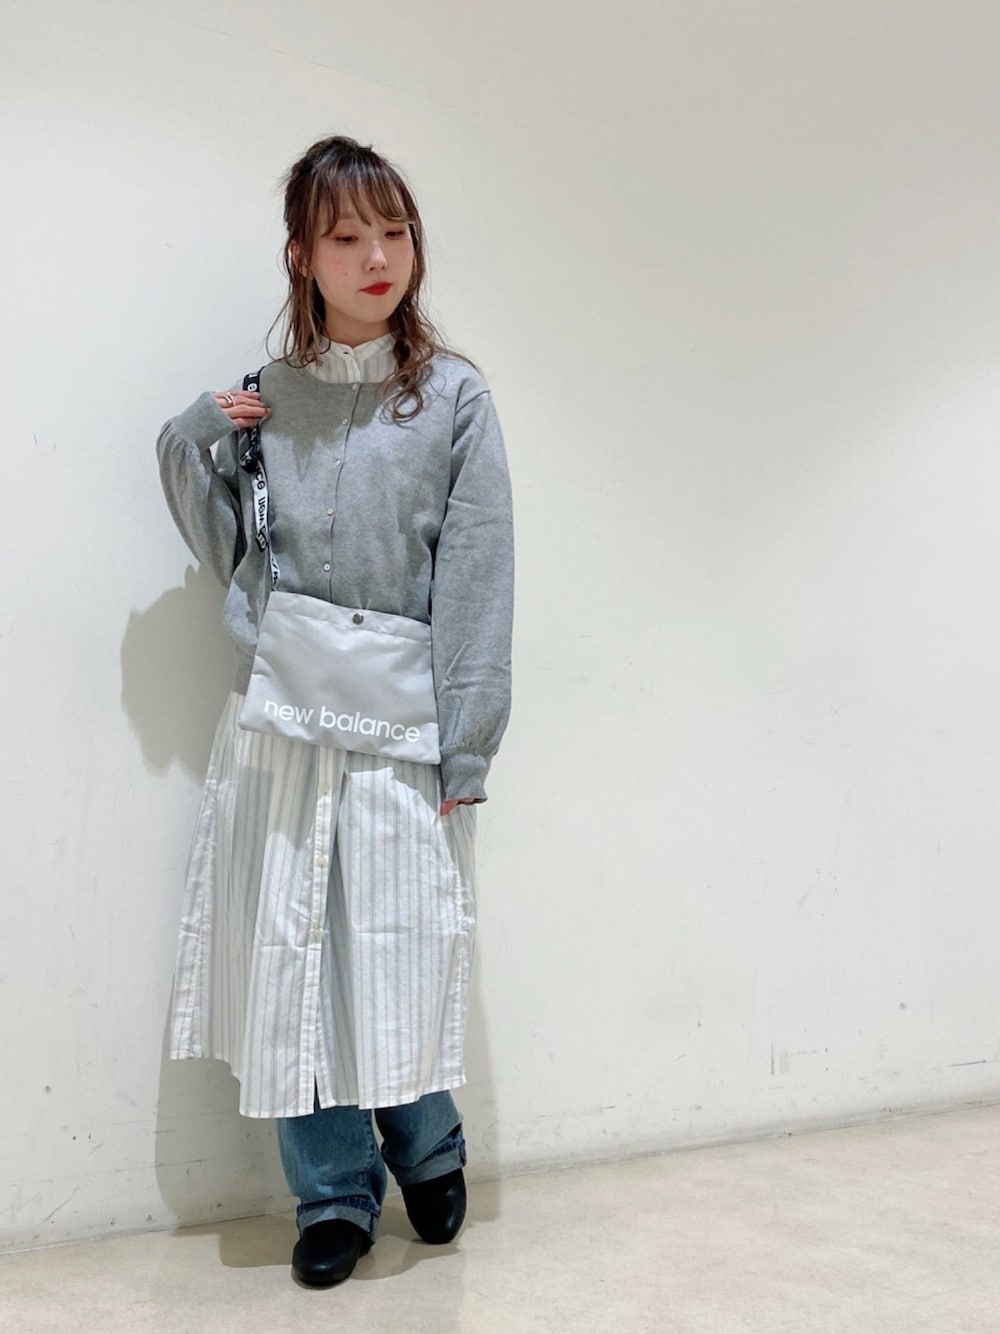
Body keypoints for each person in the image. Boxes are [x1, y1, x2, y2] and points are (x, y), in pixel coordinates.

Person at [155, 134, 514, 1288]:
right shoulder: (268, 398)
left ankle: (428, 1144)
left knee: (396, 950)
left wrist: (468, 743)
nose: (377, 257)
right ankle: (332, 1191)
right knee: (291, 960)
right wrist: (197, 432)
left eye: (393, 230)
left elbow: (477, 575)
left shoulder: (453, 396)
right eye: (347, 235)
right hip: (284, 715)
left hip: (404, 721)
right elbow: (228, 547)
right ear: (301, 256)